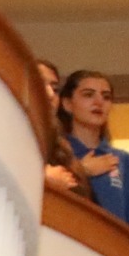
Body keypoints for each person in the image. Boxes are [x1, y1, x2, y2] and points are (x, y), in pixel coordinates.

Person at [58, 68, 129, 231]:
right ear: (67, 104)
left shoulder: (124, 161)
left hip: (114, 244)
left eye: (106, 97)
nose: (98, 102)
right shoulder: (56, 153)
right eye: (88, 95)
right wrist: (81, 170)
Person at [33, 57, 83, 196]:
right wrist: (43, 179)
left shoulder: (62, 148)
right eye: (40, 85)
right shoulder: (5, 135)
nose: (50, 95)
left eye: (55, 89)